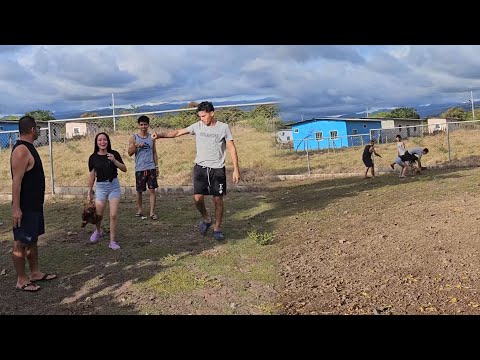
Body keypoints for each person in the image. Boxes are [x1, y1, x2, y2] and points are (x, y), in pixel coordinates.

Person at [152, 101, 240, 241]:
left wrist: (236, 169)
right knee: (197, 198)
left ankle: (217, 228)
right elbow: (178, 132)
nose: (202, 119)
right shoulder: (197, 126)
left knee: (217, 199)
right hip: (200, 168)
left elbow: (231, 148)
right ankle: (206, 218)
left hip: (217, 169)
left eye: (204, 116)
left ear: (212, 113)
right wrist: (161, 135)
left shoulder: (223, 128)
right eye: (200, 116)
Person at [10, 115, 57, 292]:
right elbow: (16, 181)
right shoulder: (21, 150)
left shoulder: (28, 148)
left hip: (35, 205)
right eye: (37, 128)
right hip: (25, 206)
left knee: (32, 239)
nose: (37, 131)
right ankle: (21, 279)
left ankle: (35, 272)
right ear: (32, 130)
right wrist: (16, 208)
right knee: (20, 242)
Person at [87, 132, 127, 250]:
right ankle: (98, 231)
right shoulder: (93, 158)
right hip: (101, 187)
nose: (102, 142)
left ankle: (112, 241)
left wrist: (114, 161)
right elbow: (92, 176)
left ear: (108, 141)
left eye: (104, 140)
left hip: (114, 185)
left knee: (113, 215)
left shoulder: (114, 154)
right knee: (98, 215)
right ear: (96, 142)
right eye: (100, 140)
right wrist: (89, 191)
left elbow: (124, 169)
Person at [127, 115, 159, 220]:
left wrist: (156, 166)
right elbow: (129, 153)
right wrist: (135, 146)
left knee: (152, 190)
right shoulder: (134, 137)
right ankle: (140, 210)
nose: (143, 126)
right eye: (141, 125)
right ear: (138, 125)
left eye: (145, 124)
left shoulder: (152, 137)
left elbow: (154, 152)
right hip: (140, 168)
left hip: (151, 167)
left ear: (148, 125)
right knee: (139, 191)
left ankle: (152, 212)